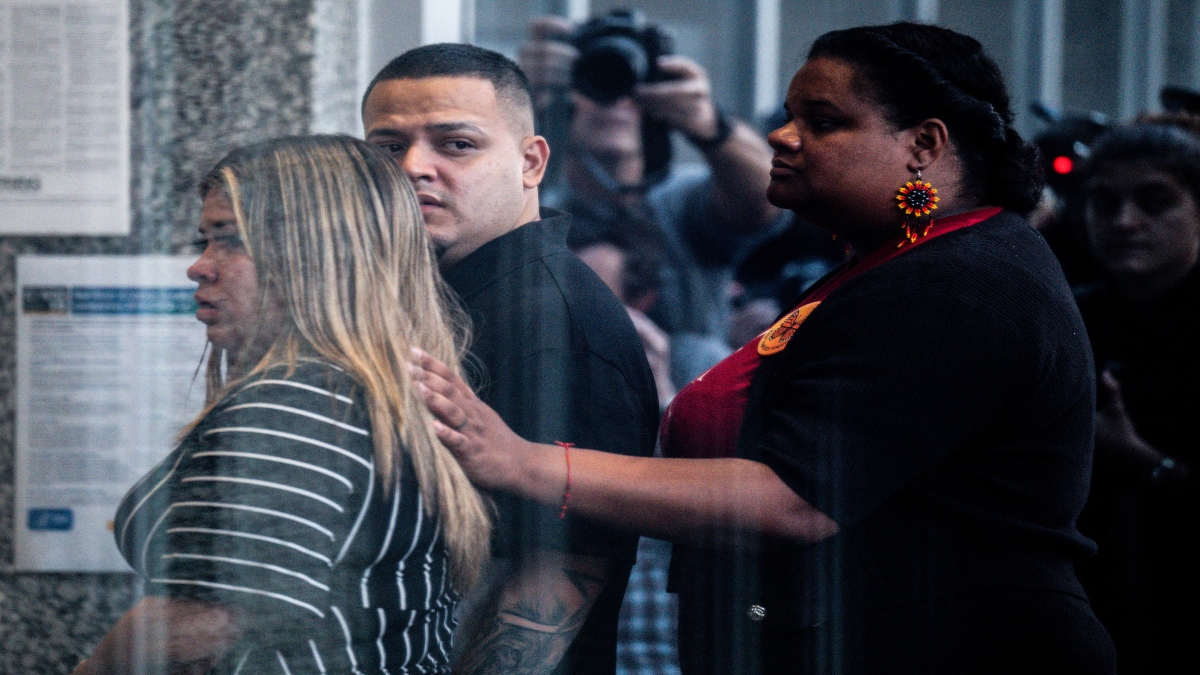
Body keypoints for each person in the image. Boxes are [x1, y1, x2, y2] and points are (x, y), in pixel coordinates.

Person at [411, 22, 1117, 675]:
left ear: (924, 146)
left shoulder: (958, 281)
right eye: (789, 114)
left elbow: (797, 498)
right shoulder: (901, 265)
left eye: (823, 121)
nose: (782, 136)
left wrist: (526, 462)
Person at [73, 135, 491, 675]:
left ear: (317, 252)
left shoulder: (300, 400)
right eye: (204, 240)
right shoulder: (358, 391)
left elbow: (196, 623)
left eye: (230, 240)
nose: (199, 267)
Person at [360, 44, 659, 675]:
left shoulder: (548, 316)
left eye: (456, 144)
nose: (415, 166)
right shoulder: (454, 293)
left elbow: (565, 565)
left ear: (530, 162)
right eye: (388, 147)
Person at [521, 14, 780, 390]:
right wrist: (517, 103)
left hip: (686, 410)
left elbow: (767, 194)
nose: (615, 97)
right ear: (566, 85)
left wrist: (709, 123)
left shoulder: (684, 201)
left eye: (629, 78)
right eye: (598, 75)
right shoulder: (526, 200)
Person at [1074, 118, 1199, 674]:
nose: (1126, 222)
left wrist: (1141, 461)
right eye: (1104, 203)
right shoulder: (1064, 318)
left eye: (1154, 202)